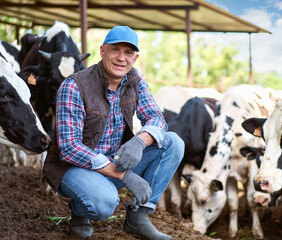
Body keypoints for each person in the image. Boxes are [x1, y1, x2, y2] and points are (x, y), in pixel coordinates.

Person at [43, 26, 184, 240]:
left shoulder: (135, 80)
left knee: (173, 142)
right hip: (74, 168)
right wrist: (123, 175)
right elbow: (69, 147)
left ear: (135, 58)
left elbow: (157, 118)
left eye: (128, 53)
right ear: (102, 51)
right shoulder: (75, 85)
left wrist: (139, 142)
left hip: (113, 160)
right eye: (115, 50)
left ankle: (138, 218)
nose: (121, 58)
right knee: (103, 204)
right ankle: (80, 211)